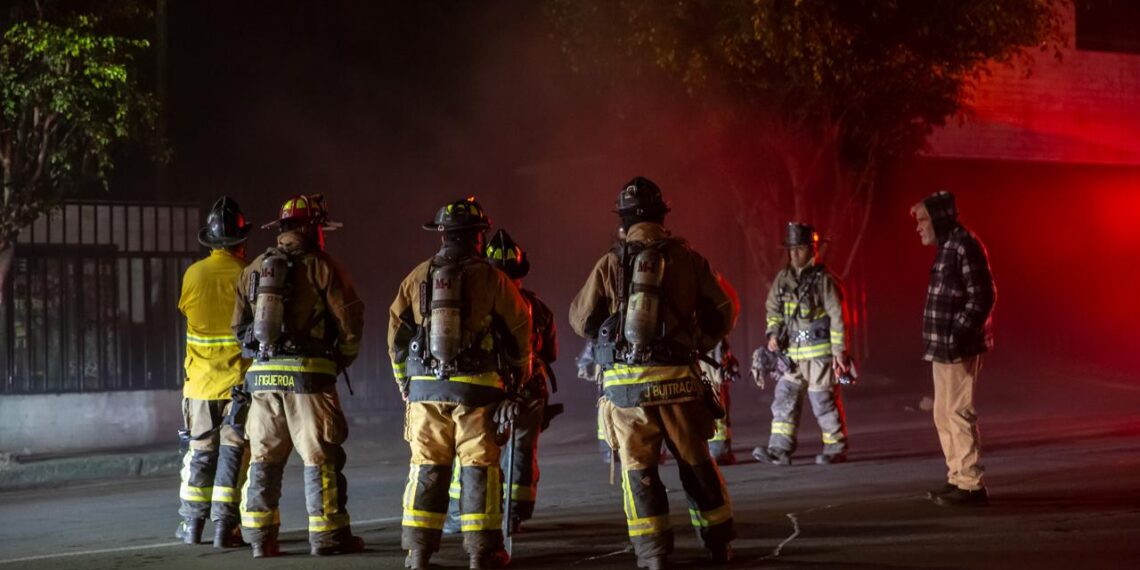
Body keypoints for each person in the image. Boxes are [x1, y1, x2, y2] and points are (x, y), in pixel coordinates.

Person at [569, 176, 738, 570]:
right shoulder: (688, 260)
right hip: (679, 383)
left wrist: (611, 336)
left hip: (627, 394)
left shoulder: (610, 262)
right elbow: (725, 310)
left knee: (639, 472)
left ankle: (653, 554)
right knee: (696, 466)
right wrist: (697, 339)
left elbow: (581, 319)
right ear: (663, 218)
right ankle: (719, 545)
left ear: (623, 222)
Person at [388, 197, 532, 570]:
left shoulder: (416, 276)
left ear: (441, 236)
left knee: (426, 468)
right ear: (479, 238)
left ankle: (418, 555)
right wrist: (519, 378)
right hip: (478, 391)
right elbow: (520, 331)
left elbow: (396, 338)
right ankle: (482, 554)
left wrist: (405, 383)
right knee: (478, 468)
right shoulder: (494, 278)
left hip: (424, 391)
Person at [232, 194, 365, 557]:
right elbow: (350, 324)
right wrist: (338, 362)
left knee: (263, 459)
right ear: (311, 229)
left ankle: (260, 538)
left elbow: (238, 328)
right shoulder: (324, 267)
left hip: (262, 380)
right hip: (309, 378)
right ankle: (327, 536)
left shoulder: (254, 269)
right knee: (320, 457)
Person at [443, 229, 558, 535]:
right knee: (521, 449)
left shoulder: (479, 301)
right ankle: (516, 513)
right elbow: (550, 353)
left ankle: (462, 512)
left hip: (488, 388)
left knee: (473, 449)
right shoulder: (539, 307)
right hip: (530, 389)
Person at [174, 196, 252, 548]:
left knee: (201, 453)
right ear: (239, 241)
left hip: (200, 386)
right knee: (233, 456)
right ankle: (226, 527)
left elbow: (187, 311)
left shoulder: (193, 275)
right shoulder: (247, 275)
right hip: (239, 386)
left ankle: (191, 525)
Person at [911, 190, 996, 507]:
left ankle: (971, 484)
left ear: (938, 219)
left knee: (958, 412)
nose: (918, 226)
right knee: (943, 412)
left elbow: (983, 295)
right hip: (944, 347)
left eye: (922, 220)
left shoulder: (964, 245)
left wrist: (958, 332)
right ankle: (958, 477)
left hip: (958, 346)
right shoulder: (949, 246)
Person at [753, 223, 852, 466]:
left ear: (812, 249)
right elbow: (773, 310)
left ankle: (835, 446)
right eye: (792, 249)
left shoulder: (824, 280)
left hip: (819, 356)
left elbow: (838, 317)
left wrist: (839, 352)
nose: (794, 253)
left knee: (823, 402)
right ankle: (779, 449)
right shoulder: (782, 279)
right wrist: (773, 334)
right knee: (784, 399)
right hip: (791, 358)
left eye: (799, 248)